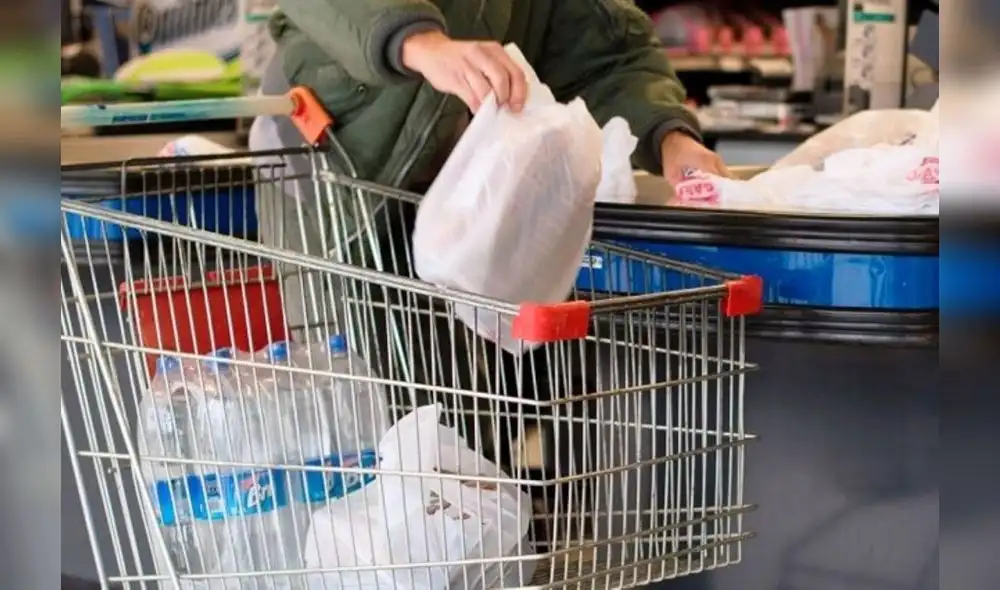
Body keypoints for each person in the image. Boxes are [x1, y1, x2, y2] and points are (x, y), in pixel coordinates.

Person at [248, 0, 725, 556]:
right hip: (333, 173)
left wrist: (671, 137)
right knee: (358, 438)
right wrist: (420, 44)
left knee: (452, 445)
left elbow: (604, 47)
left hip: (455, 197)